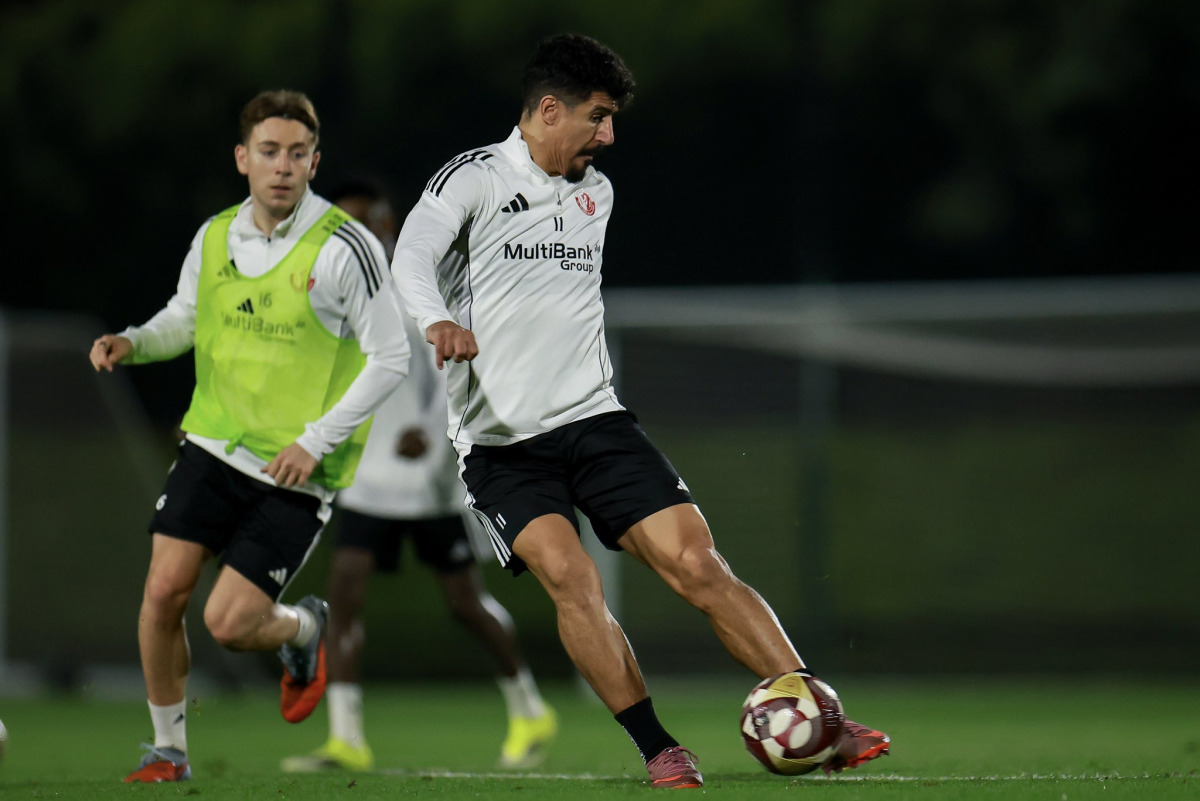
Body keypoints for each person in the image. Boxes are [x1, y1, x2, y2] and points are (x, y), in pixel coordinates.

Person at [391, 34, 891, 789]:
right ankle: (659, 745)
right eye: (597, 117)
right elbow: (411, 258)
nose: (610, 135)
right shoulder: (476, 179)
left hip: (596, 422)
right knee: (573, 579)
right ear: (548, 110)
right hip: (501, 447)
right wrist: (436, 321)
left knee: (699, 564)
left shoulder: (597, 192)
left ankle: (819, 709)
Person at [90, 90, 411, 783]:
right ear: (243, 158)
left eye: (298, 154)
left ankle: (303, 629)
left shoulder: (345, 248)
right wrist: (134, 342)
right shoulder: (214, 236)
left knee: (230, 624)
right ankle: (168, 749)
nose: (283, 166)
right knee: (161, 593)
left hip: (295, 472)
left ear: (314, 161)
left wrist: (316, 441)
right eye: (269, 151)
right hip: (212, 446)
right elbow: (185, 316)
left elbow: (392, 357)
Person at [281, 179, 556, 773]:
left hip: (425, 479)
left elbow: (457, 363)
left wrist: (436, 436)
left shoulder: (413, 285)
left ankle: (529, 706)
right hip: (365, 480)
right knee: (346, 595)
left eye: (362, 221)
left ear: (386, 222)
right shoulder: (327, 291)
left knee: (465, 602)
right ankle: (347, 738)